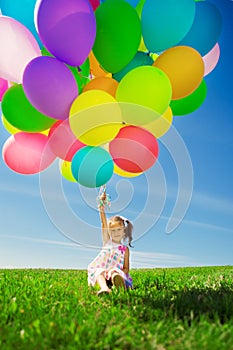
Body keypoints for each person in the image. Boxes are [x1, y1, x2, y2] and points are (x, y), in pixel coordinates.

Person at [88, 192, 133, 295]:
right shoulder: (107, 241)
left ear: (124, 231)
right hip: (103, 271)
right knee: (99, 272)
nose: (115, 233)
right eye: (112, 231)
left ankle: (117, 282)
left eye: (118, 230)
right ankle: (104, 288)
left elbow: (126, 268)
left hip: (115, 272)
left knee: (114, 272)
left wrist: (120, 273)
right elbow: (103, 222)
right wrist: (101, 207)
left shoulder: (125, 250)